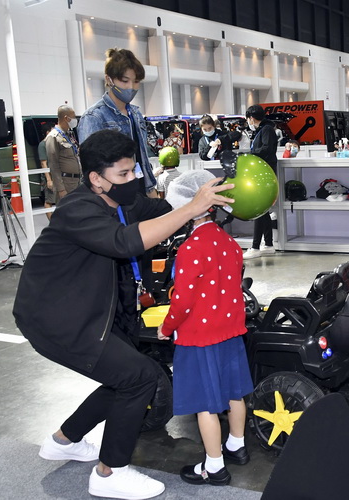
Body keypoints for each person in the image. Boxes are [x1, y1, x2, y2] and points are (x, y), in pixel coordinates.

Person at [12, 129, 235, 500]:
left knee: (126, 376)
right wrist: (191, 209)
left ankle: (64, 440)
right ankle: (109, 472)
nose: (133, 180)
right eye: (123, 174)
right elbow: (124, 242)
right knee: (139, 377)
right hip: (56, 320)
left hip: (91, 312)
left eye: (134, 171)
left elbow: (163, 210)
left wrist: (205, 194)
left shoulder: (120, 203)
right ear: (96, 179)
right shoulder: (76, 210)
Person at [158, 170, 254, 487]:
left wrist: (166, 327)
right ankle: (237, 445)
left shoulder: (190, 248)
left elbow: (182, 301)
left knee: (205, 404)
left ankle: (214, 467)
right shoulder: (230, 243)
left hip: (199, 337)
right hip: (231, 332)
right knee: (234, 393)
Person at [78, 47, 156, 197]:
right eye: (125, 81)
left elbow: (142, 157)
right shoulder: (94, 117)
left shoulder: (136, 114)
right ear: (109, 79)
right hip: (113, 195)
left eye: (136, 81)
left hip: (141, 189)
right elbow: (91, 168)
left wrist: (151, 190)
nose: (131, 87)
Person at [242, 104, 278, 260]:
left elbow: (266, 149)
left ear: (251, 118)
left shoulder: (266, 130)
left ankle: (255, 246)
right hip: (263, 173)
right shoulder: (263, 130)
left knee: (259, 209)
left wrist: (250, 154)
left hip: (265, 174)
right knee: (263, 211)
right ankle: (268, 244)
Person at [46, 105, 81, 202]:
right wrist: (61, 189)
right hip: (66, 183)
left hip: (76, 181)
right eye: (73, 117)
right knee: (68, 210)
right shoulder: (53, 137)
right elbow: (53, 165)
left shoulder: (68, 135)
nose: (75, 120)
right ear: (66, 118)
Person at [37, 122, 55, 219]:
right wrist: (48, 180)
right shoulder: (42, 145)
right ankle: (52, 223)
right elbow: (43, 163)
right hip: (49, 177)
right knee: (49, 201)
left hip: (57, 176)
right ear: (48, 132)